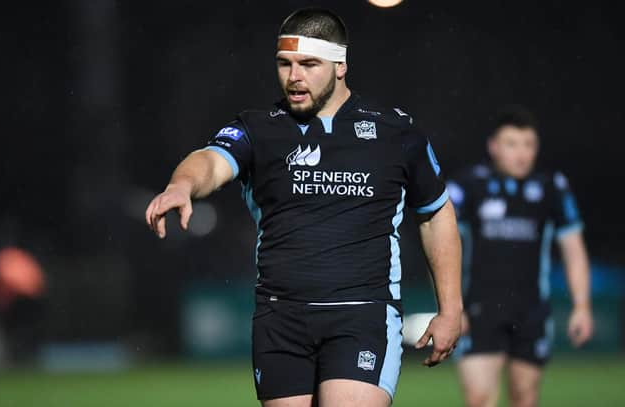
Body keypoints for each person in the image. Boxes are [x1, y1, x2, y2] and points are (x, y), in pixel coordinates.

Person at [145, 8, 462, 407]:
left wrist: (450, 309)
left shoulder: (395, 132)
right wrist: (182, 185)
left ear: (340, 65)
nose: (293, 76)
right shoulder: (259, 129)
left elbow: (435, 213)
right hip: (281, 319)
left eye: (308, 64)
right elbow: (210, 160)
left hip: (362, 316)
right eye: (284, 63)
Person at [448, 105, 594, 407]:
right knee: (479, 400)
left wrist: (582, 305)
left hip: (530, 313)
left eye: (528, 144)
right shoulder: (468, 186)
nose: (521, 153)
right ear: (493, 146)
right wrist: (451, 305)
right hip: (477, 311)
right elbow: (442, 246)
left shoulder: (552, 187)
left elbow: (573, 248)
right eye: (512, 144)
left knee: (524, 399)